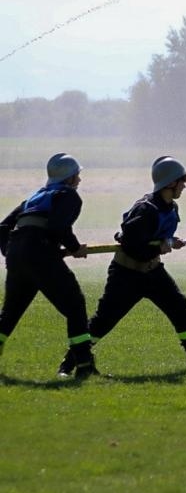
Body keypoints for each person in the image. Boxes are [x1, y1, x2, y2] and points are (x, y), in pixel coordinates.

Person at [86, 156, 186, 373]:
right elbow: (130, 244)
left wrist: (170, 241)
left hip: (153, 272)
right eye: (182, 182)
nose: (184, 187)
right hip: (126, 274)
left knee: (181, 308)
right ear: (171, 183)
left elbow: (156, 238)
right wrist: (159, 248)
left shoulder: (171, 208)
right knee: (103, 321)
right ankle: (72, 363)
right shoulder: (146, 209)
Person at [0, 152, 96, 378]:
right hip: (39, 255)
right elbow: (57, 226)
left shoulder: (35, 196)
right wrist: (74, 248)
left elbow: (3, 228)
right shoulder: (70, 196)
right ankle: (84, 365)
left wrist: (14, 253)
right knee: (75, 306)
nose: (79, 180)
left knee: (10, 313)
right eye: (77, 175)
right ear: (70, 178)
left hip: (17, 255)